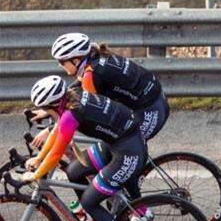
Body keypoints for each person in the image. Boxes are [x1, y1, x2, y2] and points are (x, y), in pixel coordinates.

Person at [22, 76, 146, 221]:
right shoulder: (74, 96)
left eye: (45, 108)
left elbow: (56, 154)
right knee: (74, 171)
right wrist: (38, 160)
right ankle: (94, 217)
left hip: (127, 151)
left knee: (89, 201)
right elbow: (57, 131)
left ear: (54, 105)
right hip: (116, 141)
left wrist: (37, 173)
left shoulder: (71, 115)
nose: (45, 112)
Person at [32, 32, 169, 147]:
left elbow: (81, 109)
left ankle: (131, 178)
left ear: (76, 60)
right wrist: (48, 108)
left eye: (62, 61)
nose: (60, 65)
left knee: (121, 146)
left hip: (150, 110)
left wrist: (50, 130)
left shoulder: (93, 74)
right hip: (150, 98)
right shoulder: (94, 59)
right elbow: (75, 90)